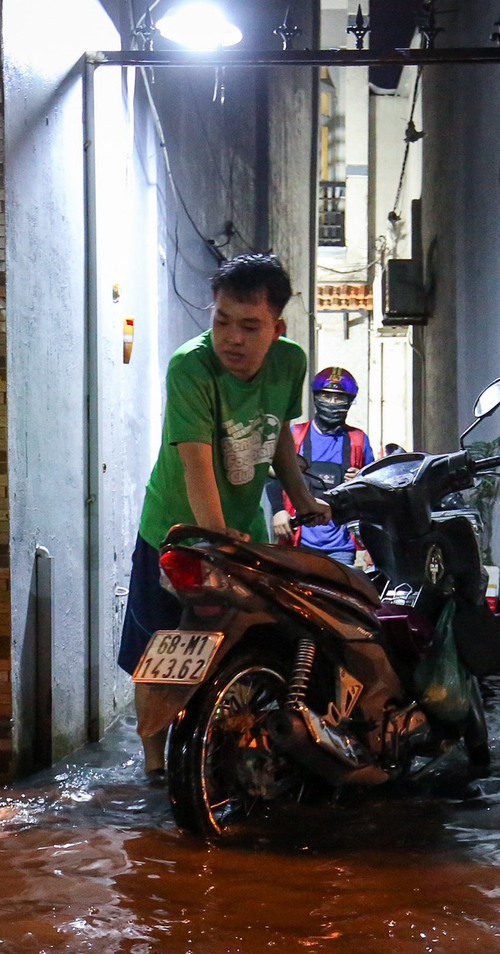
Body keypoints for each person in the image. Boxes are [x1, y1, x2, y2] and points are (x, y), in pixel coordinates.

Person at [117, 252, 331, 779]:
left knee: (250, 635)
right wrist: (212, 534)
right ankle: (153, 764)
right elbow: (195, 462)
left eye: (249, 326)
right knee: (164, 650)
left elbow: (277, 431)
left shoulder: (290, 362)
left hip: (241, 530)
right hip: (174, 528)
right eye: (221, 322)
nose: (232, 338)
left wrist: (301, 499)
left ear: (277, 328)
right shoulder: (190, 367)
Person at [270, 365, 375, 563]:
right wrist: (278, 510)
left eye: (339, 398)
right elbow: (273, 474)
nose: (332, 403)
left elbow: (374, 489)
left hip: (342, 546)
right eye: (326, 396)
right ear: (316, 398)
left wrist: (360, 479)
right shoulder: (295, 436)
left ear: (349, 401)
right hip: (299, 541)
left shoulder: (358, 440)